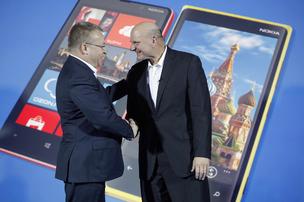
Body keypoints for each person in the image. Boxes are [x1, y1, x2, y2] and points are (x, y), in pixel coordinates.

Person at [126, 22, 212, 202]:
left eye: (136, 43)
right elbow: (134, 111)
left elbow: (201, 111)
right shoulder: (135, 71)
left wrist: (202, 153)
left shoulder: (188, 62)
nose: (132, 48)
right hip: (150, 164)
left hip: (185, 161)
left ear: (154, 39)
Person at [55, 22, 135, 202]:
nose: (105, 51)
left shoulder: (77, 71)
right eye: (102, 46)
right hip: (85, 166)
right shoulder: (78, 75)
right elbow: (101, 117)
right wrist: (130, 129)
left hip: (86, 166)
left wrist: (128, 84)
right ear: (85, 47)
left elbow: (96, 99)